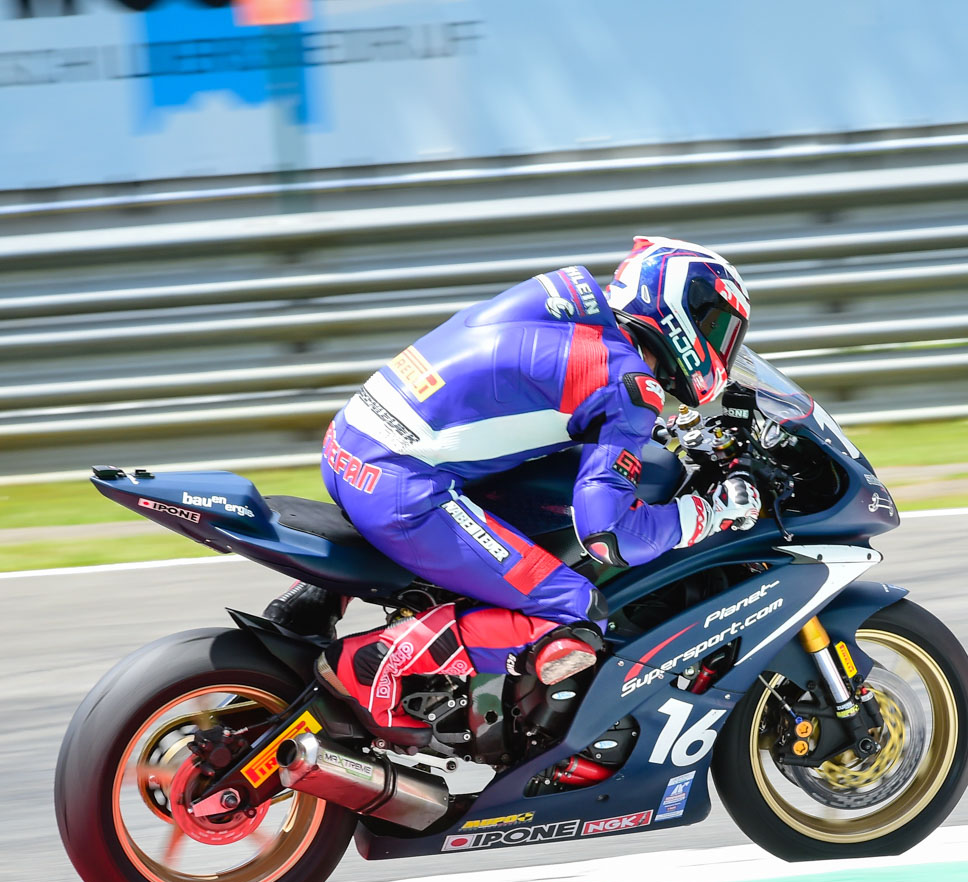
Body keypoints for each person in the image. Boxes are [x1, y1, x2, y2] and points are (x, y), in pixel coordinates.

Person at [273, 235, 763, 748]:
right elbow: (608, 536)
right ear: (682, 313)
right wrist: (709, 513)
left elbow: (511, 391)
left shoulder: (561, 296)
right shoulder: (630, 385)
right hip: (399, 490)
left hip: (348, 445)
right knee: (577, 611)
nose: (722, 344)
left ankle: (317, 598)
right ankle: (372, 665)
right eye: (719, 328)